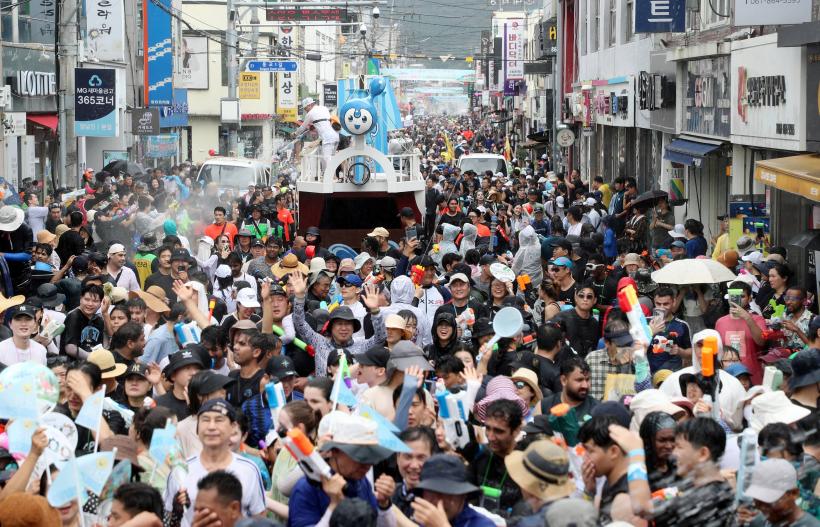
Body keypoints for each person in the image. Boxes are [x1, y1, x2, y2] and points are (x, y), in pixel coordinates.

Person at [164, 399, 266, 527]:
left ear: (233, 427)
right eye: (205, 420)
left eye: (219, 420)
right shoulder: (180, 470)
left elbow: (260, 518)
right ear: (197, 428)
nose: (211, 427)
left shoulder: (249, 470)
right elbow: (167, 517)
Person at [287, 412, 397, 527]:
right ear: (334, 451)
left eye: (371, 457)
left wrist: (384, 504)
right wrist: (334, 505)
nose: (367, 465)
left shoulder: (361, 481)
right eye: (360, 457)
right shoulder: (307, 488)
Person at [469, 399, 523, 515]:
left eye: (499, 431)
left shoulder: (525, 464)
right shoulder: (480, 455)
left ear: (516, 431)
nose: (491, 437)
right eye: (488, 428)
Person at [410, 454, 496, 527]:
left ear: (463, 496)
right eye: (431, 492)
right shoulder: (422, 521)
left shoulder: (483, 524)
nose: (438, 501)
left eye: (447, 492)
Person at [578, 415, 629, 525]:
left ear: (613, 452)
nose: (584, 457)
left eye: (590, 451)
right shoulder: (609, 482)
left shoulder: (625, 500)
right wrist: (589, 491)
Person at [739, 458, 820, 527]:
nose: (762, 508)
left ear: (794, 493)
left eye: (769, 501)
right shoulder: (758, 521)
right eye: (758, 501)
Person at [715, 280, 766, 385]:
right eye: (734, 296)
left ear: (750, 298)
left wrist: (747, 317)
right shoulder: (720, 322)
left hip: (752, 375)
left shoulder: (758, 319)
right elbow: (718, 352)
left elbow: (761, 341)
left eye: (742, 296)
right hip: (728, 377)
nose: (737, 300)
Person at [540, 356, 599, 424]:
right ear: (564, 380)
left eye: (587, 380)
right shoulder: (544, 405)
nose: (585, 385)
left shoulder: (598, 409)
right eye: (579, 380)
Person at [549, 282, 601, 357]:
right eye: (581, 296)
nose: (585, 299)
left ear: (594, 300)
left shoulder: (594, 323)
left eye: (589, 297)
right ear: (575, 297)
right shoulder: (561, 318)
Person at [60, 283, 105, 359]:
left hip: (92, 363)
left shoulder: (99, 320)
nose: (90, 304)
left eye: (95, 301)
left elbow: (100, 346)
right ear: (81, 299)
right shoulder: (74, 316)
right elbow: (70, 348)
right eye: (87, 299)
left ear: (101, 303)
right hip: (71, 364)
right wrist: (92, 358)